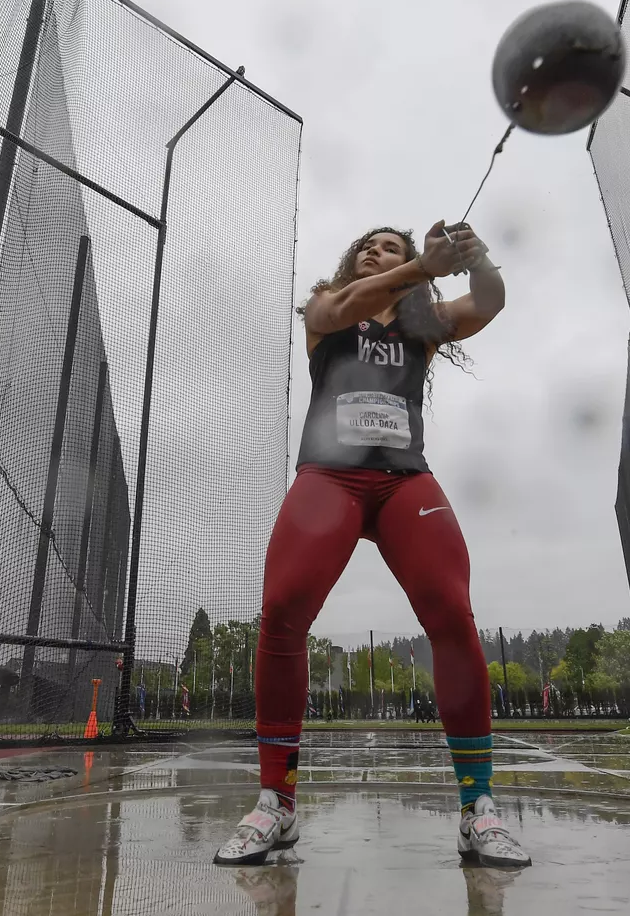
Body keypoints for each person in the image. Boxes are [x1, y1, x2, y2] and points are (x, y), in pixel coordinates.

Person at [215, 221, 530, 869]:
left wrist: (477, 256)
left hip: (403, 482)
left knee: (451, 611)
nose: (373, 251)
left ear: (410, 260)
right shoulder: (326, 306)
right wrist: (422, 267)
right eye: (367, 245)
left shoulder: (422, 323)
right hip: (329, 477)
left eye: (389, 246)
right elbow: (348, 304)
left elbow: (491, 301)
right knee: (282, 610)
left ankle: (479, 806)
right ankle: (277, 801)